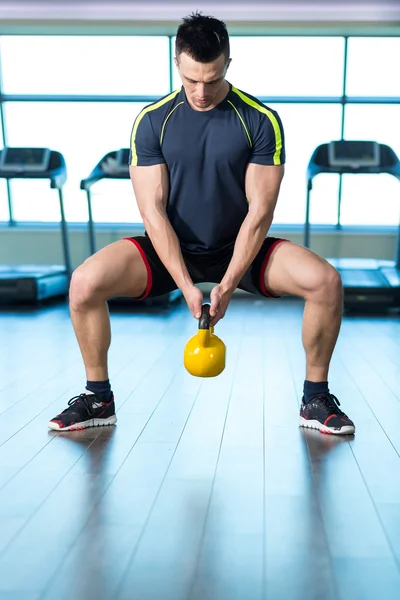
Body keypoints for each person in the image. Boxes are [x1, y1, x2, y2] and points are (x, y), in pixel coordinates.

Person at [48, 12, 355, 436]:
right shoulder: (153, 120)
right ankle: (98, 396)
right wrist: (187, 284)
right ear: (178, 63)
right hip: (170, 247)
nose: (201, 91)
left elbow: (259, 212)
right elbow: (152, 212)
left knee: (326, 283)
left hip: (240, 249)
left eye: (211, 79)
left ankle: (315, 398)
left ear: (228, 62)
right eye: (192, 79)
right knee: (83, 283)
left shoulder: (260, 121)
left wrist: (227, 284)